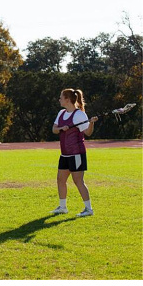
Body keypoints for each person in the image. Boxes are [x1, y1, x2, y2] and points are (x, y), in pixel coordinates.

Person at [51, 88, 98, 217]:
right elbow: (54, 129)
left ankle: (88, 209)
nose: (59, 99)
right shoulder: (61, 113)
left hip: (77, 153)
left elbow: (87, 132)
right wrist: (61, 128)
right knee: (60, 180)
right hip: (65, 154)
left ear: (67, 99)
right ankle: (62, 207)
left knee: (78, 181)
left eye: (61, 97)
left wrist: (91, 123)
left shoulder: (79, 115)